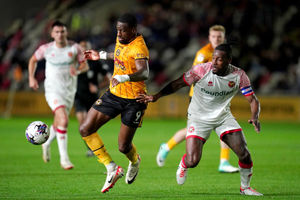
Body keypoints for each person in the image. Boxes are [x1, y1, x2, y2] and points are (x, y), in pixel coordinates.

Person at [137, 43, 263, 196]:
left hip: (223, 117)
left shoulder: (239, 75)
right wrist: (156, 96)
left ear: (229, 60)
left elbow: (253, 100)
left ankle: (245, 188)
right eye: (213, 58)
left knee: (244, 153)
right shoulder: (201, 70)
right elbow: (177, 83)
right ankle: (184, 164)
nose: (214, 62)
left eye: (219, 60)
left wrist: (255, 117)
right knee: (193, 161)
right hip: (198, 117)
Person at [79, 13, 149, 193]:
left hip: (135, 100)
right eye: (117, 29)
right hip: (114, 93)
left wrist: (124, 77)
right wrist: (101, 55)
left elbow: (144, 72)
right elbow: (119, 55)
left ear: (133, 30)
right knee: (85, 129)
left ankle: (135, 161)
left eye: (122, 30)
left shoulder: (139, 47)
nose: (118, 33)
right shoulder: (122, 39)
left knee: (123, 146)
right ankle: (111, 168)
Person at [156, 25, 239, 173]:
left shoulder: (224, 53)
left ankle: (224, 162)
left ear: (223, 37)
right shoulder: (203, 53)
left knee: (223, 126)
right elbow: (194, 74)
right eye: (214, 37)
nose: (216, 39)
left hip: (216, 97)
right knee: (192, 130)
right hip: (199, 97)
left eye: (219, 37)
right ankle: (167, 146)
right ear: (209, 38)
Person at [28, 20, 88, 170]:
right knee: (64, 120)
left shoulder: (75, 48)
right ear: (52, 34)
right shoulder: (46, 49)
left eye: (62, 31)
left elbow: (84, 65)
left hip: (69, 91)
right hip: (53, 90)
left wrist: (78, 70)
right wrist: (31, 77)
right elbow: (33, 60)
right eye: (57, 32)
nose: (60, 34)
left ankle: (46, 143)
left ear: (66, 32)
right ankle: (64, 159)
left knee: (59, 122)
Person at [75, 40, 110, 157]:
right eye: (81, 47)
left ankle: (95, 148)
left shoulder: (96, 62)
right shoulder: (75, 62)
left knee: (90, 125)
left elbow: (108, 79)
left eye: (85, 47)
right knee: (82, 122)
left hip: (92, 98)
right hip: (78, 96)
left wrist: (97, 87)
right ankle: (90, 148)